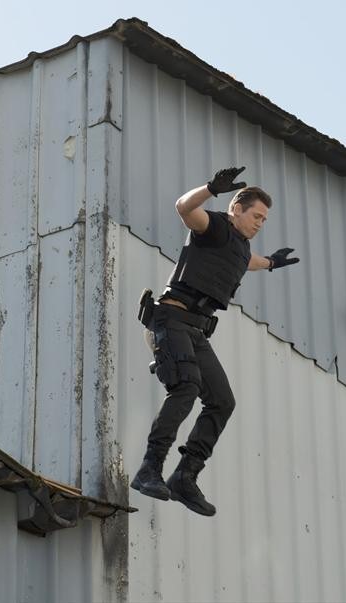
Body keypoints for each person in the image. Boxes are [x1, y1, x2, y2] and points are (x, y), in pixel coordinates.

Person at [130, 166, 299, 516]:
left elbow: (246, 260)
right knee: (186, 387)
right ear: (237, 208)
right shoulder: (216, 226)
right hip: (170, 320)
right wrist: (209, 189)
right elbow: (183, 208)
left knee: (222, 402)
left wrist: (270, 263)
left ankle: (185, 477)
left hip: (195, 331)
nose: (259, 223)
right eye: (256, 215)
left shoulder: (240, 245)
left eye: (265, 220)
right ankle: (150, 468)